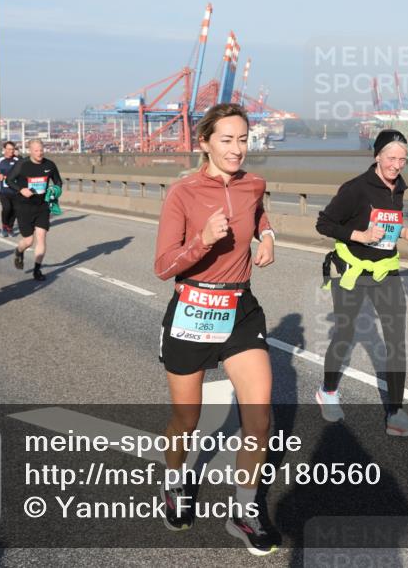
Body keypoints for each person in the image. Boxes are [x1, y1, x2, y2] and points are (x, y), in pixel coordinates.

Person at [153, 103, 278, 555]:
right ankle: (174, 482)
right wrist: (202, 240)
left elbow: (258, 213)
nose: (237, 149)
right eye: (227, 140)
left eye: (243, 139)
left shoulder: (253, 184)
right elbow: (162, 266)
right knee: (187, 419)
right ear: (204, 142)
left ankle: (244, 511)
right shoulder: (182, 192)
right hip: (192, 309)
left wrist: (267, 236)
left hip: (240, 309)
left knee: (259, 418)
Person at [315, 129, 408, 437]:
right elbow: (324, 223)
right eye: (391, 158)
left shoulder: (398, 188)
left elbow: (386, 225)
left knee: (396, 341)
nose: (397, 165)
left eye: (402, 159)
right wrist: (360, 236)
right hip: (353, 271)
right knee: (345, 334)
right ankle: (328, 390)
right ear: (377, 156)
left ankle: (395, 412)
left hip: (386, 272)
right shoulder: (356, 189)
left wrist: (404, 233)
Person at [5, 139, 62, 281]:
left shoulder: (49, 165)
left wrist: (55, 190)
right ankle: (19, 251)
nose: (40, 153)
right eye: (36, 150)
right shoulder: (22, 164)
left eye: (41, 150)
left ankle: (37, 270)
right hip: (24, 206)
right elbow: (9, 180)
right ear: (30, 151)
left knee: (41, 237)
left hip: (42, 206)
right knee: (28, 241)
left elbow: (58, 181)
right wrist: (21, 189)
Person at [0, 141, 20, 237]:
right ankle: (4, 227)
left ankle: (10, 228)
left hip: (15, 190)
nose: (11, 151)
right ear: (4, 149)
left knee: (15, 210)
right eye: (9, 149)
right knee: (7, 208)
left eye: (12, 149)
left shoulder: (18, 159)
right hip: (3, 190)